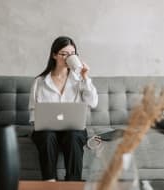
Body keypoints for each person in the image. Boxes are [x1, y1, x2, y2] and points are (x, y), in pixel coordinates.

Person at [28, 36, 98, 181]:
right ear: (54, 55)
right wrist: (38, 123)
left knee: (73, 136)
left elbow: (93, 103)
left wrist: (85, 77)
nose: (68, 57)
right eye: (64, 54)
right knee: (47, 136)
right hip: (47, 130)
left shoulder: (79, 80)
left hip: (73, 129)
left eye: (72, 54)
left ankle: (73, 183)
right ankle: (50, 182)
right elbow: (33, 113)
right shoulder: (39, 82)